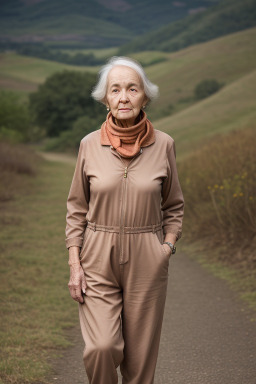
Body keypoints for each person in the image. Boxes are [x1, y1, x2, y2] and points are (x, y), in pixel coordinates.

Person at [65, 56, 184, 384]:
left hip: (148, 254)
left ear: (145, 96)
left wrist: (166, 248)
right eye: (115, 89)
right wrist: (75, 265)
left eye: (132, 88)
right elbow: (76, 209)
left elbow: (174, 206)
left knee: (140, 360)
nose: (124, 97)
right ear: (105, 98)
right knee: (101, 348)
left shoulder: (164, 145)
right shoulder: (89, 144)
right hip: (97, 256)